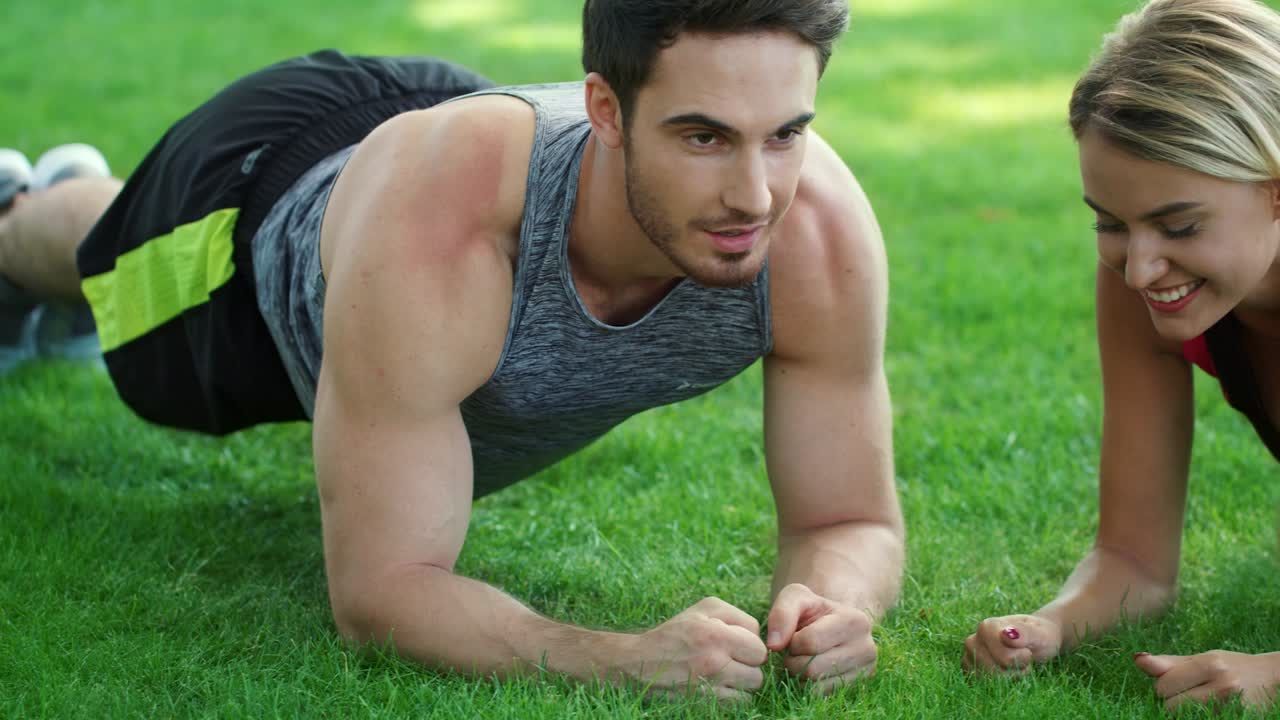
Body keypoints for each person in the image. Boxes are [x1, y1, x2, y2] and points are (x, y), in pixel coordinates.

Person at [0, 0, 903, 701]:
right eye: (703, 136)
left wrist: (836, 606)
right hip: (257, 193)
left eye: (786, 132)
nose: (754, 195)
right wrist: (619, 658)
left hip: (442, 136)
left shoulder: (815, 235)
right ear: (608, 109)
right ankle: (25, 212)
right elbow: (382, 593)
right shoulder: (448, 231)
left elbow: (848, 521)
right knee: (115, 291)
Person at [965, 0, 1280, 712]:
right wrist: (1051, 624)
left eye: (1179, 224)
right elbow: (1134, 558)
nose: (1138, 269)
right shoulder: (1144, 287)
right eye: (1109, 222)